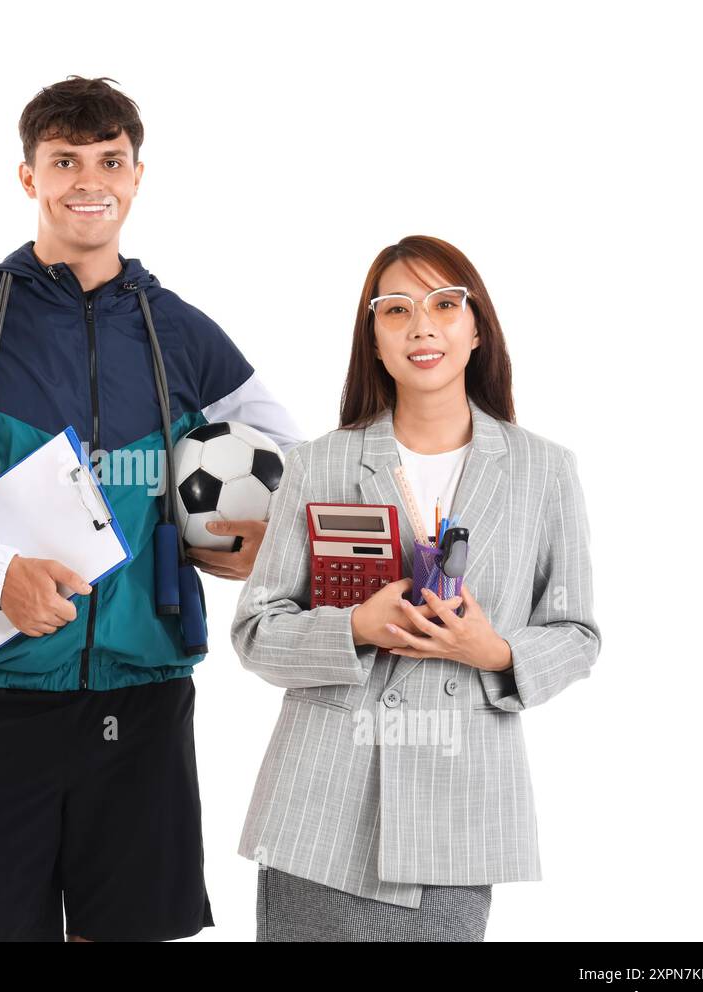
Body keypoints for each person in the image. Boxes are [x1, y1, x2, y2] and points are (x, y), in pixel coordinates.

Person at [0, 76, 305, 941]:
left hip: (145, 701)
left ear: (138, 176)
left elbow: (290, 459)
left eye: (110, 160)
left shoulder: (179, 330)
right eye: (64, 160)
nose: (89, 180)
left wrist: (253, 541)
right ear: (28, 177)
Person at [232, 235, 601, 942]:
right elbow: (256, 631)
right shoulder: (318, 464)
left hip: (456, 816)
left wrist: (494, 651)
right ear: (373, 340)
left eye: (443, 304)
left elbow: (578, 633)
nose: (421, 325)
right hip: (320, 809)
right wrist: (354, 629)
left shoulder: (543, 470)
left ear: (476, 328)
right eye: (395, 309)